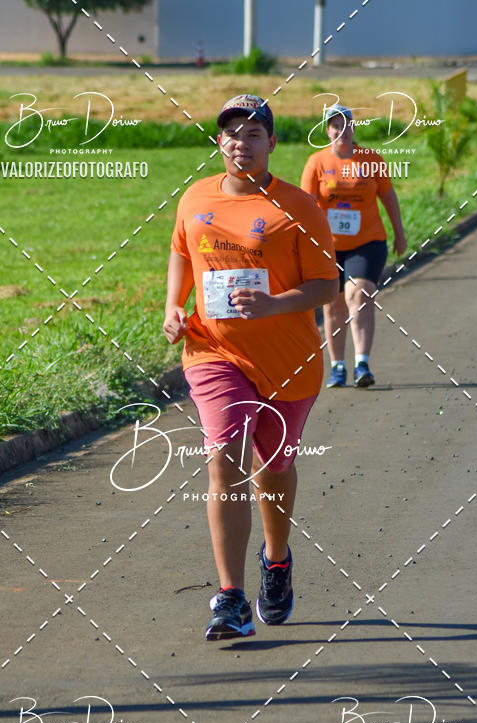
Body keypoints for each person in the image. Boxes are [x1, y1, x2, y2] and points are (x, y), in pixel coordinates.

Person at [163, 94, 339, 641]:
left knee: (274, 468)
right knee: (224, 460)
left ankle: (278, 559)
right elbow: (181, 253)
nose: (241, 141)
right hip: (214, 352)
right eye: (231, 132)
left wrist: (274, 305)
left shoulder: (299, 208)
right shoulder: (195, 198)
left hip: (288, 362)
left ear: (272, 143)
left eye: (253, 133)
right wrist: (173, 305)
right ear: (220, 141)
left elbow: (326, 286)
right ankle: (230, 598)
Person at [301, 104, 407, 388]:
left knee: (359, 294)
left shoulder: (370, 159)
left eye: (346, 125)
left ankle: (362, 363)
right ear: (327, 131)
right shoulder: (316, 162)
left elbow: (388, 197)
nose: (341, 131)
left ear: (353, 128)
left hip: (368, 241)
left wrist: (400, 232)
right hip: (328, 246)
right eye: (335, 126)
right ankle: (338, 367)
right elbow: (306, 207)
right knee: (333, 305)